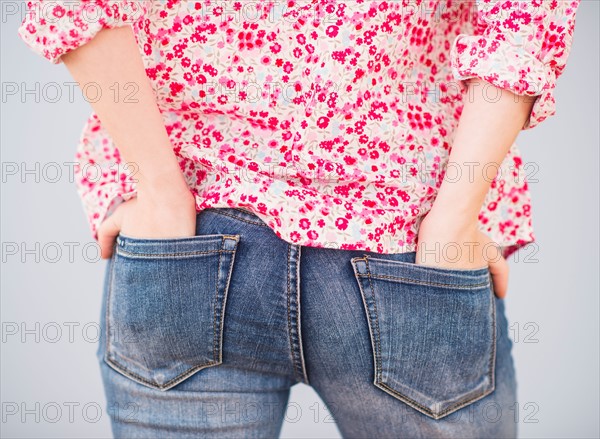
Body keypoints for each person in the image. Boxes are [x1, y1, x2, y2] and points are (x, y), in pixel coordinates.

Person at [18, 0, 580, 437]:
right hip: (404, 234)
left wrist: (160, 190)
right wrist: (455, 212)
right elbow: (528, 17)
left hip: (191, 232)